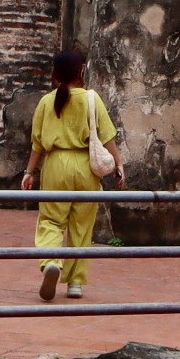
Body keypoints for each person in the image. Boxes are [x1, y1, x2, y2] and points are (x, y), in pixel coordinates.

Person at [20, 45, 117, 301]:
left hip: (55, 164)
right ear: (79, 71)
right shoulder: (91, 99)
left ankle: (52, 261)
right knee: (82, 226)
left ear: (55, 73)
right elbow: (107, 137)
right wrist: (119, 164)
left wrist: (29, 172)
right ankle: (75, 283)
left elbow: (37, 144)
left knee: (51, 219)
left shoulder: (45, 102)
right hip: (85, 165)